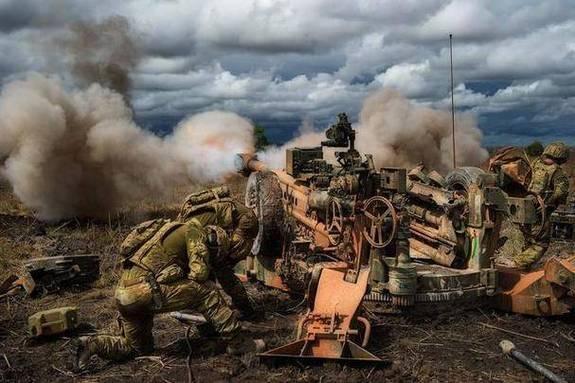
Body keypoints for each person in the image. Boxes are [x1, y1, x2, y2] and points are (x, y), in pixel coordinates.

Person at [75, 218, 261, 370]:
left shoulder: (168, 230)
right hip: (144, 291)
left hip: (123, 295)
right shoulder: (195, 231)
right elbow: (199, 273)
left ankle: (92, 344)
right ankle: (239, 344)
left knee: (137, 349)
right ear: (214, 243)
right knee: (207, 291)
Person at [178, 190, 260, 319]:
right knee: (213, 264)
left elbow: (203, 253)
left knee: (223, 269)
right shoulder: (184, 226)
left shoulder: (189, 230)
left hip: (245, 222)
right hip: (236, 218)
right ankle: (218, 307)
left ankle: (247, 311)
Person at [512, 142, 570, 268]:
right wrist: (551, 202)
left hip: (526, 204)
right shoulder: (557, 171)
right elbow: (561, 192)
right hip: (542, 210)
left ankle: (522, 263)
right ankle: (520, 262)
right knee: (541, 243)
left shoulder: (536, 164)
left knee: (527, 236)